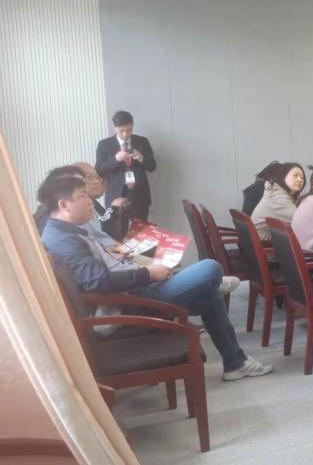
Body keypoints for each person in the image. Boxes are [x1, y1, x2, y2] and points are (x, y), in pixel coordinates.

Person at [39, 176, 271, 380]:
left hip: (133, 290)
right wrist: (148, 273)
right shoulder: (64, 240)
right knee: (211, 268)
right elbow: (98, 281)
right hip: (132, 302)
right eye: (82, 195)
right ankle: (231, 347)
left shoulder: (63, 231)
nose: (90, 200)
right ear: (64, 205)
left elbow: (97, 271)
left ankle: (235, 363)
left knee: (209, 294)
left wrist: (126, 261)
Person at [95, 111, 157, 223]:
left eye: (129, 130)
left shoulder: (142, 141)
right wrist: (115, 159)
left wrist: (141, 158)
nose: (125, 134)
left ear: (132, 126)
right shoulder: (104, 145)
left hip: (140, 195)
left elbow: (152, 167)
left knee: (142, 229)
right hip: (116, 196)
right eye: (121, 130)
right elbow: (99, 171)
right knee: (117, 230)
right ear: (115, 128)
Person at [74, 162, 130, 244]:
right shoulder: (79, 207)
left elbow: (103, 232)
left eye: (97, 177)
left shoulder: (91, 202)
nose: (96, 182)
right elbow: (104, 232)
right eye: (88, 177)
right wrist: (114, 208)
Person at [251, 163, 305, 241]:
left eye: (302, 177)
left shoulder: (277, 191)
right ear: (283, 177)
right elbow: (300, 220)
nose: (300, 179)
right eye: (295, 175)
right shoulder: (278, 197)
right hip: (265, 240)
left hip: (263, 236)